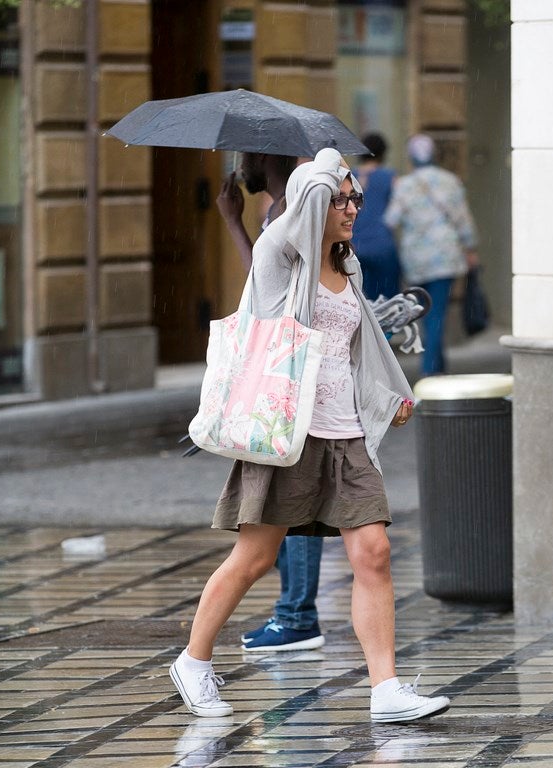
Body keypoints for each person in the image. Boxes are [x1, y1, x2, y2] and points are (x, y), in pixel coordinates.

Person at [171, 148, 450, 723]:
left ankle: (386, 689)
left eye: (357, 198)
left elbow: (357, 347)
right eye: (342, 197)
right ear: (316, 200)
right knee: (254, 556)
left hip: (345, 432)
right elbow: (289, 230)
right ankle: (194, 662)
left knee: (374, 553)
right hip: (287, 432)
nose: (353, 208)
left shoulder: (348, 267)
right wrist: (316, 176)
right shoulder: (281, 253)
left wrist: (386, 394)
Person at [215, 150, 329, 653]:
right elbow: (263, 284)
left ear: (265, 157)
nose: (239, 165)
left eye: (245, 155)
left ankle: (297, 614)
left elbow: (275, 297)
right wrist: (237, 223)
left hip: (292, 374)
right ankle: (294, 611)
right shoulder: (277, 211)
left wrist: (234, 225)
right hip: (282, 370)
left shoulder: (294, 212)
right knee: (283, 498)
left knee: (294, 496)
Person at [383, 133, 479, 376]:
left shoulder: (404, 185)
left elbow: (391, 220)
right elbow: (463, 220)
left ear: (411, 158)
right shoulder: (450, 181)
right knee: (438, 312)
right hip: (445, 256)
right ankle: (432, 368)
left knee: (425, 312)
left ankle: (434, 365)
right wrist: (470, 247)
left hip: (415, 258)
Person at [351, 133, 402, 300]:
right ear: (383, 153)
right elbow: (397, 211)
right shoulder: (390, 177)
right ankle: (385, 327)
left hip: (354, 246)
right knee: (388, 302)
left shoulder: (349, 176)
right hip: (382, 245)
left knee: (362, 301)